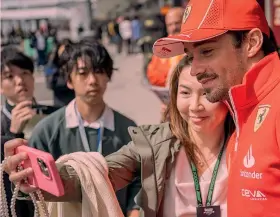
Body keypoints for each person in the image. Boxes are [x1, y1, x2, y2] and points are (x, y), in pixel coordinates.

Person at [152, 0, 280, 216]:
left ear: (251, 43)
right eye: (190, 56)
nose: (194, 69)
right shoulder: (238, 113)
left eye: (206, 51)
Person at [3, 56, 235, 217]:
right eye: (184, 93)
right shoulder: (156, 143)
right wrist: (37, 179)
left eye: (206, 94)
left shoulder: (246, 142)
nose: (195, 106)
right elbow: (99, 173)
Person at [5, 41, 141, 217]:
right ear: (69, 80)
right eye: (83, 73)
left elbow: (139, 182)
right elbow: (32, 190)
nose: (92, 81)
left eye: (99, 71)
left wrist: (135, 210)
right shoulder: (47, 130)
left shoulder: (128, 128)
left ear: (108, 76)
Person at [0, 47, 59, 217]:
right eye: (9, 76)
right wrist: (12, 135)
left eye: (25, 73)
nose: (20, 81)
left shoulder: (55, 115)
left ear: (33, 77)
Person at [146, 7, 185, 87]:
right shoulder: (162, 47)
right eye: (170, 25)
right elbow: (152, 75)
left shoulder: (194, 46)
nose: (174, 28)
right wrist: (169, 78)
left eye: (177, 23)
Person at [44, 38, 75, 107]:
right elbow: (50, 83)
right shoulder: (53, 65)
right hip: (59, 104)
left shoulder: (75, 65)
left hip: (74, 103)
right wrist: (52, 58)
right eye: (62, 52)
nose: (65, 54)